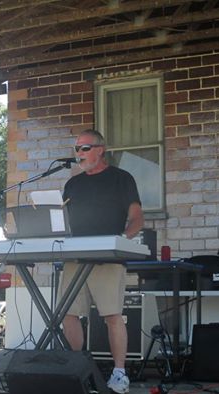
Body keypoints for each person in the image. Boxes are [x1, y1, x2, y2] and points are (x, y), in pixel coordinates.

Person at [60, 129, 144, 393]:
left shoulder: (121, 179)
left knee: (112, 315)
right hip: (76, 254)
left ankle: (119, 373)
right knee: (68, 314)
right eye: (77, 149)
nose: (79, 154)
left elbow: (137, 218)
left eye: (85, 148)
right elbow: (61, 220)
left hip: (108, 255)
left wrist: (121, 239)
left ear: (100, 149)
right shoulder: (73, 184)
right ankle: (79, 367)